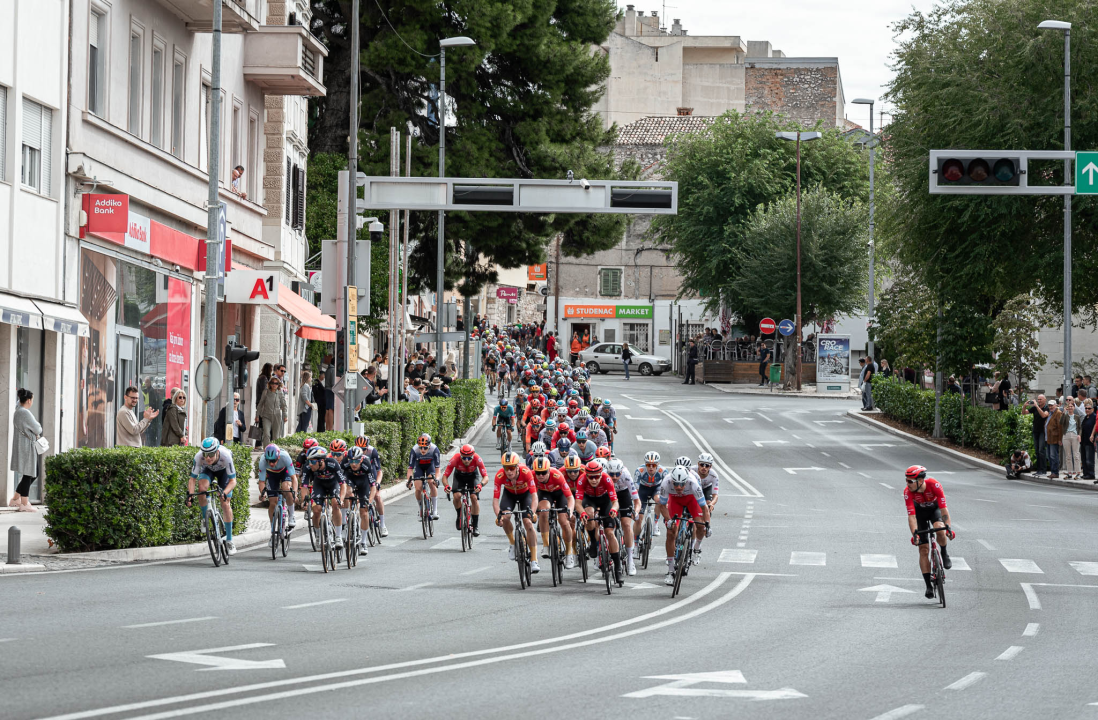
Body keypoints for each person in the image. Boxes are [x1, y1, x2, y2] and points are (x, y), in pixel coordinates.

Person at [903, 465, 955, 599]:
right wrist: (915, 534)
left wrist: (948, 527)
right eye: (906, 480)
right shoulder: (908, 492)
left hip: (934, 510)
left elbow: (944, 509)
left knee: (940, 528)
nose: (907, 484)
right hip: (919, 514)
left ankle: (944, 553)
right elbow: (912, 517)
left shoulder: (935, 485)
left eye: (910, 481)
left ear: (920, 481)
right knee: (923, 549)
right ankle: (928, 586)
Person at [656, 466, 709, 586]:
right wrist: (669, 520)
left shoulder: (693, 482)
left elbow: (704, 507)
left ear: (686, 481)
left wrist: (708, 524)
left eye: (682, 484)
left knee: (700, 525)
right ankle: (670, 571)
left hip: (691, 499)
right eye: (676, 484)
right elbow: (662, 505)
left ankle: (696, 548)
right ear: (672, 481)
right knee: (670, 532)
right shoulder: (666, 482)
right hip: (675, 501)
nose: (679, 487)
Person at [186, 438, 239, 555]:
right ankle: (205, 518)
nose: (208, 458)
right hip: (208, 470)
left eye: (211, 454)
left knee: (225, 503)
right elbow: (192, 478)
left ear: (217, 451)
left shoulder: (226, 456)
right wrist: (189, 495)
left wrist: (224, 493)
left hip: (224, 473)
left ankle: (229, 540)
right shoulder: (199, 457)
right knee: (201, 489)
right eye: (205, 454)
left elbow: (233, 481)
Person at [493, 451, 540, 573]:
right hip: (509, 495)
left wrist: (533, 513)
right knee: (505, 516)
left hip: (525, 495)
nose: (509, 471)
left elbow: (534, 496)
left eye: (512, 468)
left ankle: (534, 559)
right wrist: (499, 516)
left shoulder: (526, 472)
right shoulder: (499, 476)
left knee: (528, 523)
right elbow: (495, 500)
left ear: (517, 467)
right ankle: (513, 543)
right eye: (506, 468)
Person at [532, 456, 576, 569]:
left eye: (543, 473)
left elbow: (570, 498)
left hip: (559, 494)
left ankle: (569, 553)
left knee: (564, 521)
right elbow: (530, 496)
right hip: (544, 494)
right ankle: (546, 545)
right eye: (538, 473)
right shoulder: (532, 476)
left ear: (549, 470)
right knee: (544, 511)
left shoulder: (557, 475)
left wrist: (570, 512)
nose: (540, 475)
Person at [442, 444, 487, 536]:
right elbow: (445, 476)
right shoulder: (455, 459)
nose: (466, 460)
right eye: (464, 458)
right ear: (460, 456)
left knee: (474, 497)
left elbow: (485, 477)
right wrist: (446, 486)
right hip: (459, 477)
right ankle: (459, 515)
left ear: (473, 456)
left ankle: (475, 525)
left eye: (469, 458)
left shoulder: (477, 459)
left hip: (472, 476)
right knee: (457, 496)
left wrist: (480, 485)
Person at [9, 388, 42, 511]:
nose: (32, 402)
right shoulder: (24, 412)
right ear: (28, 400)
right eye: (32, 399)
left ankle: (15, 499)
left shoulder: (18, 410)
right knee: (30, 473)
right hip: (27, 446)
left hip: (24, 445)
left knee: (32, 473)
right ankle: (24, 503)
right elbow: (38, 429)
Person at [259, 443, 297, 536]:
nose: (271, 463)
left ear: (278, 457)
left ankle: (291, 515)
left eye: (274, 461)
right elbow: (262, 482)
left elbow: (294, 478)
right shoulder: (262, 461)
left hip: (285, 472)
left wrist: (294, 493)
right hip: (272, 475)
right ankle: (273, 532)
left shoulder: (285, 457)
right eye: (269, 461)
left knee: (286, 487)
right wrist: (262, 493)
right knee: (272, 502)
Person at [406, 433, 442, 521]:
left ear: (429, 446)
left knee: (431, 482)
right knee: (418, 488)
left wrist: (436, 479)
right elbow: (410, 469)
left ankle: (435, 511)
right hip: (419, 466)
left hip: (430, 466)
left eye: (425, 448)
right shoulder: (414, 450)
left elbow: (437, 469)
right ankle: (421, 509)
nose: (422, 450)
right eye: (420, 447)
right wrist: (409, 481)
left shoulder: (434, 449)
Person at [1023, 395, 1050, 476]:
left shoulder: (1046, 408)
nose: (1039, 401)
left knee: (1042, 451)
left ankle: (1043, 470)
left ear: (1045, 400)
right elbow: (1024, 413)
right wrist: (1024, 406)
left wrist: (1037, 406)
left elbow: (1044, 415)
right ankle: (1039, 470)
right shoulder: (1035, 407)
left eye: (1041, 399)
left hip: (1042, 431)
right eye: (1038, 399)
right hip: (1035, 431)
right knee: (1037, 451)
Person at [256, 375, 286, 445]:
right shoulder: (265, 392)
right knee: (266, 434)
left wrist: (285, 415)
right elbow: (260, 404)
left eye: (276, 383)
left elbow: (284, 405)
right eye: (272, 383)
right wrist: (257, 415)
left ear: (278, 385)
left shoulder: (280, 393)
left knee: (276, 436)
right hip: (266, 416)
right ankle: (266, 450)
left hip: (277, 416)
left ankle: (275, 450)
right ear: (270, 384)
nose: (274, 385)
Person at [1061, 396, 1084, 479]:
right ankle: (1069, 472)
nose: (1070, 408)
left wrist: (1079, 435)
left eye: (1072, 406)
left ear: (1074, 407)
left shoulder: (1077, 417)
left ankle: (1078, 472)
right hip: (1066, 435)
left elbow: (1080, 427)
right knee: (1068, 455)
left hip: (1075, 435)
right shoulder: (1065, 416)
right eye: (1069, 406)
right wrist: (1064, 412)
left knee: (1076, 454)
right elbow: (1061, 422)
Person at [1045, 399, 1066, 479]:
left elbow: (1060, 427)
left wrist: (1060, 439)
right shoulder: (1050, 413)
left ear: (1056, 405)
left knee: (1053, 456)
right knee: (1050, 456)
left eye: (1052, 405)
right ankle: (1053, 472)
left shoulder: (1058, 413)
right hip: (1049, 438)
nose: (1050, 407)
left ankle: (1055, 472)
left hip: (1054, 438)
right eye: (1049, 405)